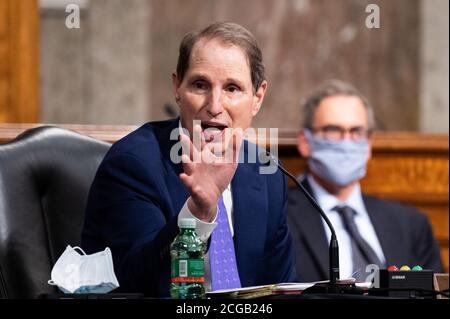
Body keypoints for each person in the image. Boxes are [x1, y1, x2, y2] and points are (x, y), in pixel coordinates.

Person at [82, 22, 296, 297]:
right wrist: (198, 213)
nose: (215, 106)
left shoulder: (267, 174)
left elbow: (282, 287)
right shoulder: (133, 164)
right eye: (200, 85)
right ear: (177, 88)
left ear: (257, 97)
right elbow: (138, 284)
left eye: (232, 88)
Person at [287, 80, 444, 282]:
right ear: (305, 142)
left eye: (356, 132)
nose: (346, 141)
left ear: (368, 144)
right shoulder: (278, 217)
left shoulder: (410, 224)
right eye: (333, 130)